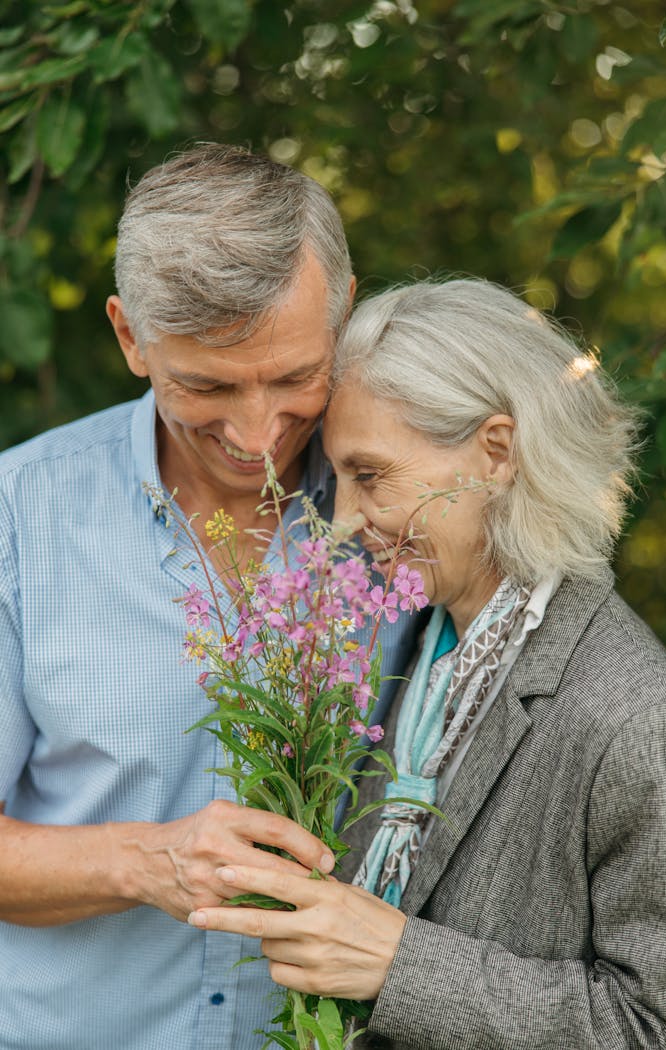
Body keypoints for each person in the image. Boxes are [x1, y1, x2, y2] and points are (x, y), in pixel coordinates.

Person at [190, 279, 666, 1049]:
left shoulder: (636, 715)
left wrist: (401, 966)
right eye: (339, 481)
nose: (344, 522)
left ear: (495, 453)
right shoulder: (411, 649)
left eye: (369, 475)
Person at [0, 145, 416, 1050]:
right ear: (127, 337)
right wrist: (144, 862)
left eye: (296, 376)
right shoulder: (17, 517)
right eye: (206, 385)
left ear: (343, 313)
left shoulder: (420, 515)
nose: (258, 430)